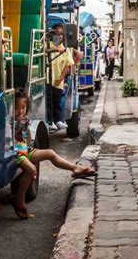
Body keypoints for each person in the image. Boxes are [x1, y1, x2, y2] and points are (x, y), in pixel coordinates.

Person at [11, 90, 96, 219]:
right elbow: (11, 143)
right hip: (16, 153)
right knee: (32, 170)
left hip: (25, 151)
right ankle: (19, 201)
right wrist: (16, 130)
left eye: (23, 108)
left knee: (50, 153)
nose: (20, 111)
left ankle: (75, 168)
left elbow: (28, 143)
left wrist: (26, 129)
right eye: (16, 108)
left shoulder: (23, 121)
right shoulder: (8, 122)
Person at [48, 24, 74, 131]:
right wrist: (55, 49)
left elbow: (68, 65)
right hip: (47, 79)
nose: (59, 36)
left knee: (56, 101)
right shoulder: (48, 45)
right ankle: (50, 122)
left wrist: (61, 78)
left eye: (61, 34)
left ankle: (57, 120)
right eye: (56, 33)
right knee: (48, 101)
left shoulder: (65, 49)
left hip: (58, 79)